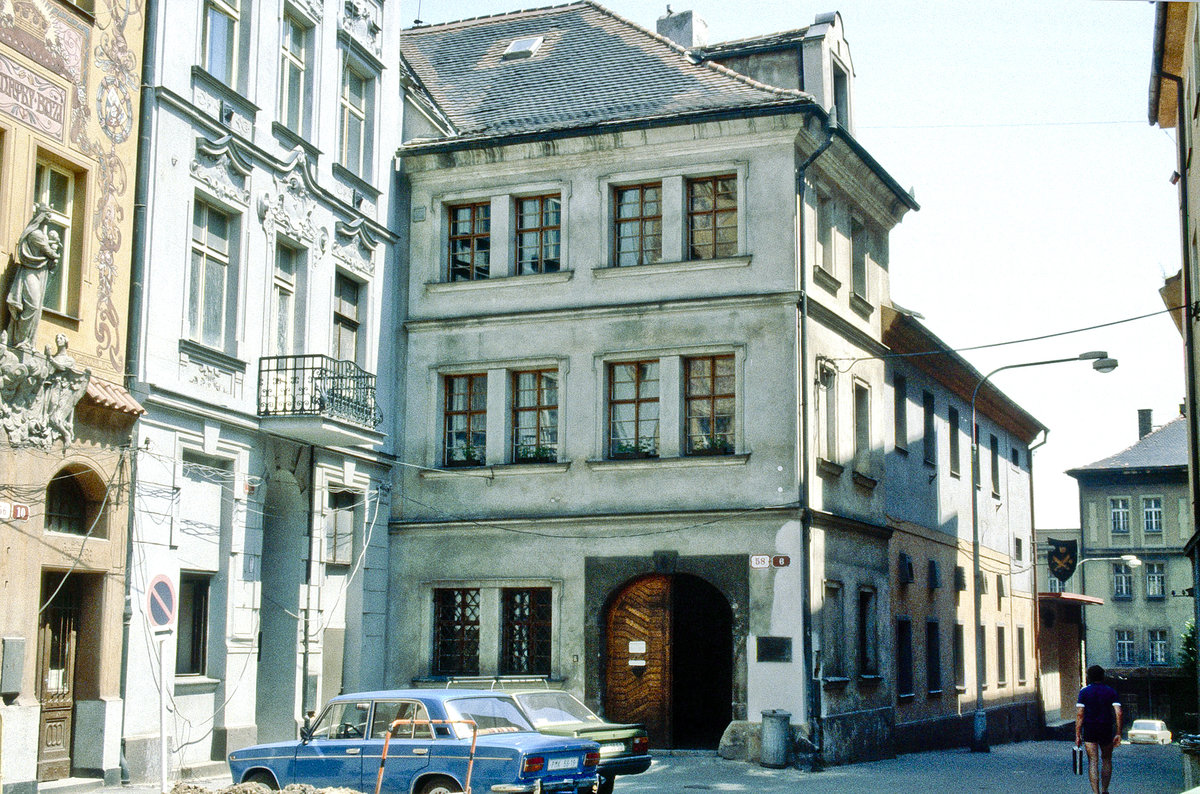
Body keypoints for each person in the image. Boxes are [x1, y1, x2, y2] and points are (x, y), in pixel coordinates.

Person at [1075, 664, 1122, 794]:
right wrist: (1118, 733)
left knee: (1093, 761)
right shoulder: (1111, 691)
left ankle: (1095, 792)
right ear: (1103, 677)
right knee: (1106, 759)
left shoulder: (1084, 692)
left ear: (1089, 677)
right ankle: (1105, 790)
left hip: (1090, 728)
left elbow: (1080, 714)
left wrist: (1077, 735)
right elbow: (1118, 713)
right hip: (1106, 728)